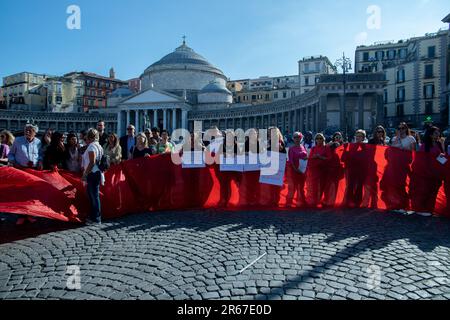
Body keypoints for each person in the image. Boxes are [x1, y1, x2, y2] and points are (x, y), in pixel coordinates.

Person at [8, 122, 43, 225]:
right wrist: (15, 163)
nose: (27, 132)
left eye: (30, 130)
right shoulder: (17, 141)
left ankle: (30, 214)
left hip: (33, 171)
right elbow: (11, 155)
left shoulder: (38, 142)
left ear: (35, 133)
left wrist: (40, 161)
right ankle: (21, 216)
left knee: (31, 195)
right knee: (20, 194)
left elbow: (40, 155)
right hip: (21, 170)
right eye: (26, 130)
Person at [410, 126, 445, 217]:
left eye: (438, 133)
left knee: (434, 192)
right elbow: (421, 159)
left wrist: (442, 146)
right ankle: (422, 209)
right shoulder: (424, 146)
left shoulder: (438, 144)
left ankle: (430, 209)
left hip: (436, 173)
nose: (438, 135)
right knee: (425, 191)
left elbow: (442, 157)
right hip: (426, 173)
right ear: (430, 135)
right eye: (436, 133)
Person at [81, 128, 104, 224]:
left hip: (92, 173)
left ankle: (96, 218)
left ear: (90, 137)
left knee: (94, 196)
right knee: (94, 196)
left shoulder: (91, 147)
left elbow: (92, 162)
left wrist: (85, 173)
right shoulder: (99, 146)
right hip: (97, 172)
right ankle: (95, 216)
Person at [306, 133, 330, 207]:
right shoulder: (313, 148)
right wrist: (314, 157)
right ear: (315, 140)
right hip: (315, 170)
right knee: (314, 186)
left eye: (321, 138)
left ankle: (324, 201)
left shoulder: (327, 148)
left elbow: (329, 158)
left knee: (324, 186)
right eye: (317, 138)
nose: (319, 140)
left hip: (324, 169)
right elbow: (309, 158)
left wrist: (320, 157)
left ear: (323, 139)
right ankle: (315, 200)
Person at [287, 132, 308, 207]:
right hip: (295, 170)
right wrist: (296, 169)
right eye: (295, 137)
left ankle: (303, 202)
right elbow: (291, 160)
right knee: (293, 187)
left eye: (298, 137)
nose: (297, 139)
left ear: (301, 138)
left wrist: (305, 159)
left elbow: (306, 157)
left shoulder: (303, 147)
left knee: (302, 187)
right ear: (293, 139)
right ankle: (289, 202)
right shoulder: (291, 149)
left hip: (303, 171)